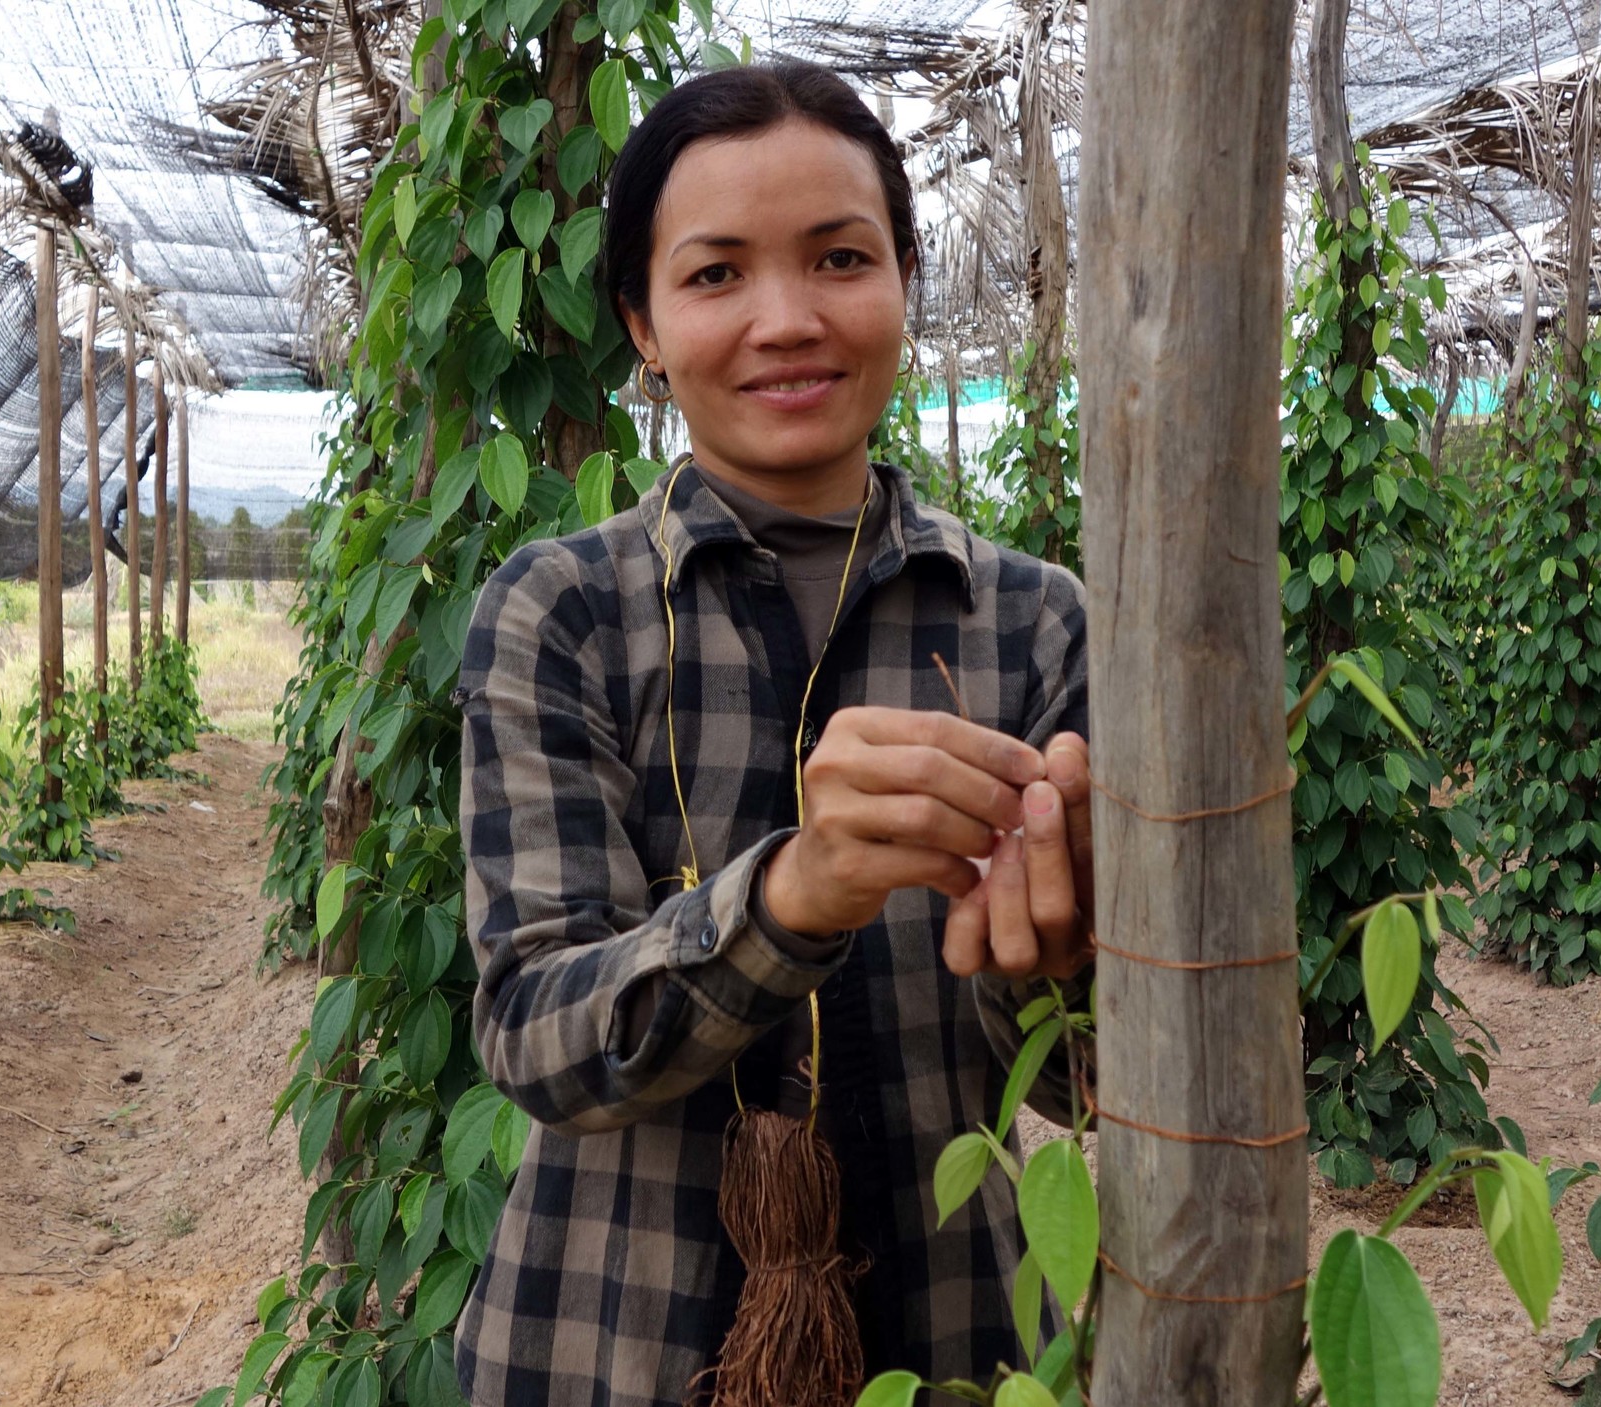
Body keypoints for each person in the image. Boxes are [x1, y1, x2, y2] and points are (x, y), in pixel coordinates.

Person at [454, 59, 1093, 1407]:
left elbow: (1080, 1080)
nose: (787, 319)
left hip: (959, 1332)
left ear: (906, 279)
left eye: (840, 258)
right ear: (640, 321)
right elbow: (535, 1029)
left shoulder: (1035, 624)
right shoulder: (561, 613)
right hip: (611, 1348)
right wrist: (793, 897)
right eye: (715, 275)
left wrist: (1071, 952)